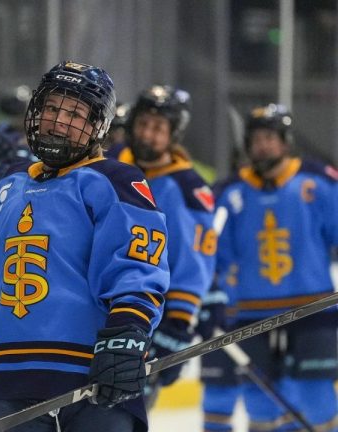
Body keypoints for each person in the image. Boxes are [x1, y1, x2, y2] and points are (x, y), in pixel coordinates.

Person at [0, 61, 169, 431]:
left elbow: (138, 265)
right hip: (8, 371)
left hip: (93, 367)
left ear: (97, 127)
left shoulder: (114, 180)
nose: (59, 121)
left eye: (75, 113)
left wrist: (128, 331)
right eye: (53, 108)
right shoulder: (10, 186)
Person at [213, 104, 338, 430]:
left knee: (316, 395)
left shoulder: (316, 180)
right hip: (252, 313)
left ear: (285, 141)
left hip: (314, 310)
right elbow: (215, 252)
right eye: (256, 139)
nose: (263, 145)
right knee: (259, 399)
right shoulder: (230, 192)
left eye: (270, 137)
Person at [106, 85, 216, 405]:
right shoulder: (104, 166)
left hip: (150, 316)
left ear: (174, 134)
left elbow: (193, 261)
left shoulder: (188, 187)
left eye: (158, 129)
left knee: (125, 409)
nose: (147, 135)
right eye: (142, 124)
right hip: (94, 303)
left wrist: (178, 323)